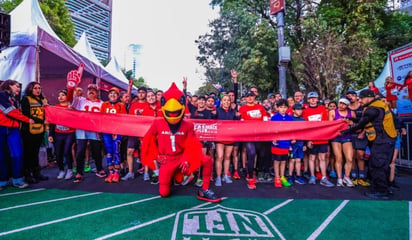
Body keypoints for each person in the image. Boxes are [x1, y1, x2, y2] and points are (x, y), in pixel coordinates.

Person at [141, 83, 221, 202]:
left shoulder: (188, 125)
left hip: (181, 156)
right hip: (167, 159)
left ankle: (204, 189)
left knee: (207, 160)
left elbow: (192, 144)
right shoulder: (158, 123)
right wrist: (156, 155)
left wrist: (187, 158)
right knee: (164, 193)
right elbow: (148, 140)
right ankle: (175, 177)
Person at [341, 89, 397, 199]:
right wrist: (351, 118)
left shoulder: (372, 109)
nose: (360, 101)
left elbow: (362, 123)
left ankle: (381, 191)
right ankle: (384, 187)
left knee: (377, 165)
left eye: (361, 98)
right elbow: (364, 120)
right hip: (387, 140)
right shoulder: (379, 105)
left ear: (369, 97)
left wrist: (345, 132)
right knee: (382, 165)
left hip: (382, 141)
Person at [68, 83, 104, 183]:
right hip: (81, 129)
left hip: (94, 129)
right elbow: (70, 99)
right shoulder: (80, 100)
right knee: (80, 151)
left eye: (94, 90)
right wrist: (71, 87)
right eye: (89, 90)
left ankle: (99, 169)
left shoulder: (101, 103)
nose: (91, 91)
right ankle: (79, 172)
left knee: (96, 150)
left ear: (97, 93)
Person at [0, 80, 32, 189]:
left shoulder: (15, 99)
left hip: (13, 130)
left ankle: (18, 179)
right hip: (1, 129)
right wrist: (27, 120)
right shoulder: (1, 95)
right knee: (1, 156)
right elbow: (10, 111)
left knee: (17, 155)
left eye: (19, 86)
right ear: (9, 86)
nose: (19, 88)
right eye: (16, 86)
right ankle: (2, 181)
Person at [238, 90, 269, 189]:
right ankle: (250, 178)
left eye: (251, 96)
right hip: (248, 135)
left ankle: (255, 172)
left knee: (262, 155)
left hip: (260, 135)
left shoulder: (260, 107)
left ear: (255, 97)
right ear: (245, 98)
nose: (250, 98)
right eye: (248, 96)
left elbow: (265, 119)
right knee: (251, 154)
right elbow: (240, 122)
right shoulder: (242, 108)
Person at [302, 91, 334, 187]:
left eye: (314, 98)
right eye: (311, 98)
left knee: (322, 158)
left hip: (322, 138)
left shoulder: (322, 109)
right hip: (311, 139)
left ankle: (323, 177)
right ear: (308, 100)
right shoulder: (305, 111)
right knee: (312, 158)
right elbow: (305, 127)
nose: (313, 100)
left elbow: (325, 123)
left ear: (317, 99)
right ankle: (312, 176)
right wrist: (308, 140)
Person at [21, 82, 49, 184]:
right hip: (28, 130)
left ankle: (37, 173)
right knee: (28, 153)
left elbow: (48, 113)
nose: (38, 90)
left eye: (39, 88)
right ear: (30, 89)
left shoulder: (44, 100)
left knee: (35, 152)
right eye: (35, 88)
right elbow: (26, 114)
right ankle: (27, 175)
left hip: (40, 130)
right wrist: (42, 121)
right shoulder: (26, 99)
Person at [48, 90, 76, 180]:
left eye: (63, 95)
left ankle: (69, 169)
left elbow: (78, 119)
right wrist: (50, 135)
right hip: (58, 133)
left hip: (70, 133)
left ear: (67, 96)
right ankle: (61, 170)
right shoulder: (55, 107)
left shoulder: (71, 107)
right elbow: (52, 122)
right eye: (59, 95)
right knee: (58, 152)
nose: (60, 97)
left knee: (67, 151)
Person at [101, 87, 127, 183]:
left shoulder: (121, 106)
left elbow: (123, 120)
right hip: (106, 132)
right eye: (111, 93)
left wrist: (117, 130)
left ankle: (116, 173)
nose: (113, 95)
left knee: (116, 151)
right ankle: (110, 172)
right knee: (109, 152)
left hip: (117, 132)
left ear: (118, 96)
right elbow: (101, 118)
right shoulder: (104, 105)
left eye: (115, 93)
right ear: (108, 95)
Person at [329, 98, 355, 187]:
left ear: (347, 105)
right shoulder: (333, 112)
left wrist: (349, 122)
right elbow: (329, 124)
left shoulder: (351, 113)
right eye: (340, 103)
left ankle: (346, 177)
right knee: (338, 158)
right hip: (336, 137)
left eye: (343, 104)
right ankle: (339, 178)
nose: (341, 105)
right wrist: (337, 122)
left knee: (349, 158)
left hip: (347, 136)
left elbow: (355, 124)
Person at [346, 90, 370, 187]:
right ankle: (354, 176)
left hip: (361, 134)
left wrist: (363, 132)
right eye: (348, 96)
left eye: (352, 95)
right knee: (351, 156)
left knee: (360, 155)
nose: (350, 97)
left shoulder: (363, 107)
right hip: (350, 134)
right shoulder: (346, 108)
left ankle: (362, 177)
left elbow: (367, 121)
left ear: (356, 97)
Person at [139, 90, 163, 184]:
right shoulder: (145, 110)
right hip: (150, 137)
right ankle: (157, 174)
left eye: (152, 95)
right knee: (152, 155)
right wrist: (142, 139)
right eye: (148, 96)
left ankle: (164, 174)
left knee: (162, 156)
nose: (151, 98)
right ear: (146, 99)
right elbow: (142, 125)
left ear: (156, 96)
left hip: (162, 136)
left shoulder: (162, 108)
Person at [214, 94, 238, 186]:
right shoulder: (217, 111)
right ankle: (218, 177)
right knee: (220, 156)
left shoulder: (234, 112)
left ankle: (225, 175)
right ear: (221, 101)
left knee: (228, 157)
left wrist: (238, 117)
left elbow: (237, 124)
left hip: (230, 137)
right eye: (224, 100)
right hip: (219, 137)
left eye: (228, 100)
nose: (227, 102)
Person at [126, 86, 149, 180]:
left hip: (145, 132)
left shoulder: (149, 105)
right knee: (129, 151)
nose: (141, 94)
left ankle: (146, 173)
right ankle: (130, 172)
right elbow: (130, 119)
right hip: (134, 131)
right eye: (139, 92)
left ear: (146, 94)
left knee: (146, 152)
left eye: (143, 92)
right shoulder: (133, 105)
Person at [270, 99, 293, 188]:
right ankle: (277, 177)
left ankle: (282, 176)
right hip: (277, 143)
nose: (283, 109)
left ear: (287, 108)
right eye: (281, 107)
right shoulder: (274, 118)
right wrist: (273, 138)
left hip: (286, 143)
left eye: (285, 107)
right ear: (277, 108)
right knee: (277, 161)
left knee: (284, 161)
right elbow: (271, 130)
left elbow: (292, 131)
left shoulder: (289, 118)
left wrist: (291, 140)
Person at [289, 103, 306, 185]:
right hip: (292, 143)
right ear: (293, 110)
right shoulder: (290, 119)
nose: (300, 111)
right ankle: (290, 175)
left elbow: (305, 132)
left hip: (301, 142)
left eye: (301, 109)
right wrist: (289, 143)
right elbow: (287, 132)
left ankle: (298, 176)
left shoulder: (303, 120)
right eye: (298, 109)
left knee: (299, 160)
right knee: (292, 160)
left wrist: (305, 144)